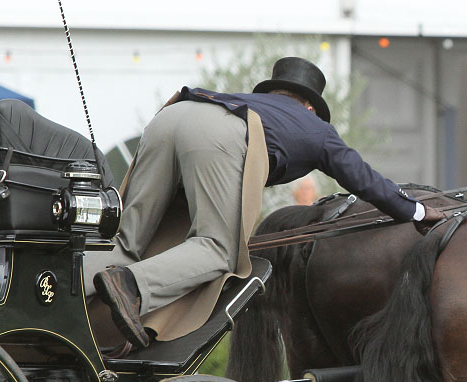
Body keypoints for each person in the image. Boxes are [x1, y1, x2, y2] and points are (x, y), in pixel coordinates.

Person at [87, 56, 446, 350]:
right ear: (309, 106)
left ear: (274, 92)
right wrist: (415, 209)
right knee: (217, 249)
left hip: (172, 113)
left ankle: (60, 293)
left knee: (127, 238)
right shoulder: (315, 127)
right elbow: (364, 179)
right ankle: (133, 286)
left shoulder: (250, 101)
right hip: (216, 134)